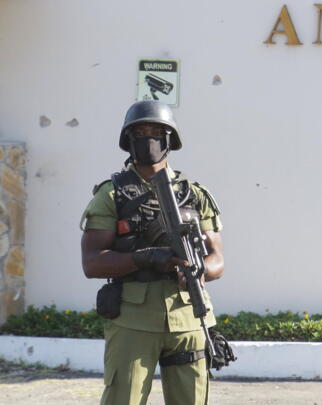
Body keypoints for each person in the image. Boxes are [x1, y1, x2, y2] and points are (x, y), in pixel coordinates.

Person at [80, 100, 224, 405]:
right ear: (129, 141)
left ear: (169, 139)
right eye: (140, 132)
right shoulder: (111, 194)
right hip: (134, 320)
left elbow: (218, 259)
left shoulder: (195, 195)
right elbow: (92, 263)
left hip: (189, 316)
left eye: (157, 132)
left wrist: (200, 271)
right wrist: (142, 258)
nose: (149, 138)